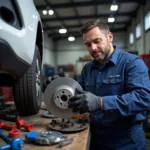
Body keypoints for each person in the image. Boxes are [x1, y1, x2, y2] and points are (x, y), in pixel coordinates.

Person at [43, 20, 150, 150]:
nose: (93, 48)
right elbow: (76, 97)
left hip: (126, 143)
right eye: (88, 44)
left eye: (97, 41)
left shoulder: (132, 63)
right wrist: (55, 88)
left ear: (109, 37)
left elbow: (143, 98)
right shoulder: (87, 69)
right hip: (95, 140)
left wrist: (101, 103)